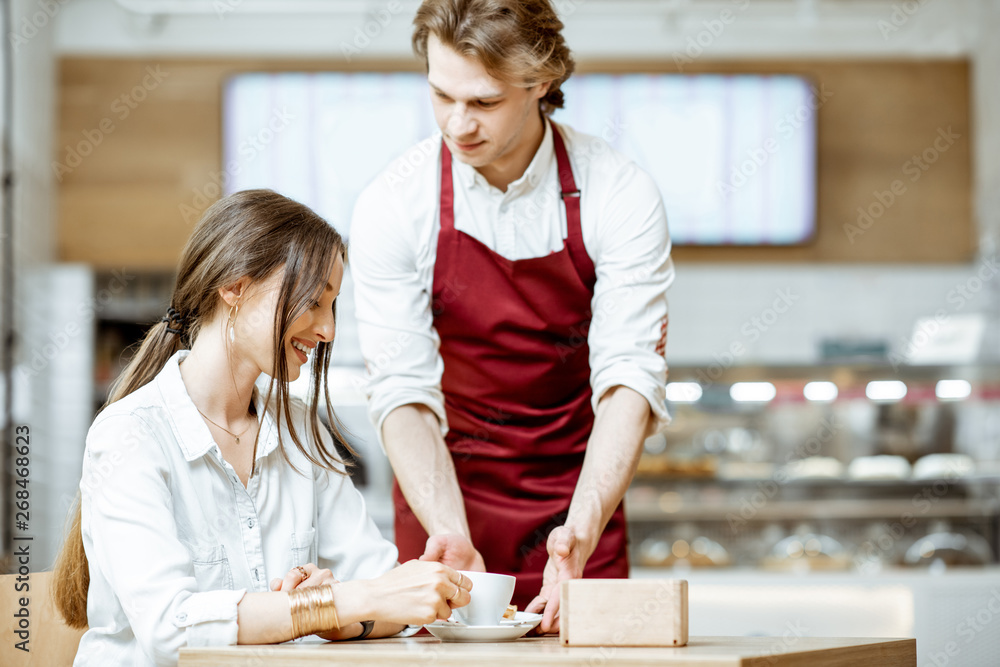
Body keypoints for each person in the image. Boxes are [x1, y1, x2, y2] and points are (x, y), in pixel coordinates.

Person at [350, 0, 674, 633]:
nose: (457, 123)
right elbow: (403, 393)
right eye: (441, 96)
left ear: (542, 83)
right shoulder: (395, 202)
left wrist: (579, 531)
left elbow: (629, 379)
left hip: (580, 504)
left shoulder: (618, 192)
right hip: (444, 505)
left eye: (485, 102)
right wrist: (448, 530)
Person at [53, 189, 472, 667]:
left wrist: (356, 608)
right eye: (314, 302)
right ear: (235, 287)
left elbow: (379, 589)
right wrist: (320, 607)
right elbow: (172, 629)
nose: (328, 329)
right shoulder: (129, 436)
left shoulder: (297, 429)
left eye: (333, 306)